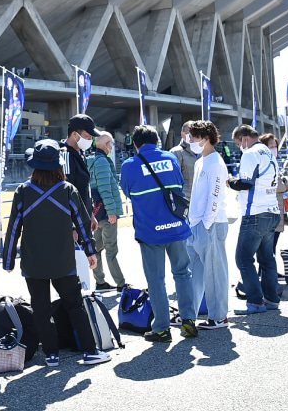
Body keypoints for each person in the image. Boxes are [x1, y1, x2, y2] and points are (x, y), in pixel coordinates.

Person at [2, 140, 109, 366]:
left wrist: (9, 258)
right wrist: (91, 252)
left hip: (33, 261)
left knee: (40, 308)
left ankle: (51, 354)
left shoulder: (22, 191)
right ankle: (90, 351)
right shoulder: (67, 190)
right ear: (59, 165)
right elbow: (82, 225)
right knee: (74, 305)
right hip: (63, 260)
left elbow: (14, 228)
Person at [119, 125, 198, 342]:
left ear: (135, 144)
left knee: (156, 280)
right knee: (183, 273)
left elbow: (127, 191)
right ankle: (189, 319)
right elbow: (180, 184)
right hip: (176, 226)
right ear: (157, 141)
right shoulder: (171, 159)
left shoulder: (129, 165)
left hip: (149, 230)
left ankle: (162, 328)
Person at [228, 125, 281, 315]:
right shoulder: (268, 152)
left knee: (243, 258)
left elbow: (245, 183)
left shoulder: (250, 154)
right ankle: (272, 299)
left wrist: (230, 182)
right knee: (267, 259)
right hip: (272, 210)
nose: (239, 147)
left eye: (237, 143)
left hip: (255, 213)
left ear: (244, 139)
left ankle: (255, 301)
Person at [185, 120, 230, 329]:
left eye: (194, 137)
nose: (190, 140)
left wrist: (206, 224)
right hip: (195, 224)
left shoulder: (216, 163)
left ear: (206, 138)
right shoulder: (200, 161)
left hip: (210, 225)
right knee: (195, 273)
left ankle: (219, 316)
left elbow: (216, 196)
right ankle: (188, 314)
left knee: (214, 273)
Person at [87, 130, 126, 291]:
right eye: (111, 143)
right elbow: (106, 189)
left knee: (97, 248)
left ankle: (100, 282)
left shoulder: (91, 160)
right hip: (106, 213)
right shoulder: (102, 161)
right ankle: (121, 284)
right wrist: (111, 211)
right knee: (111, 250)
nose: (112, 146)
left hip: (96, 213)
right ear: (104, 144)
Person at [61, 114, 97, 220]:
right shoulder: (66, 155)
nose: (91, 139)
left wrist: (90, 213)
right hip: (74, 222)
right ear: (75, 134)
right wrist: (72, 225)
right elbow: (66, 192)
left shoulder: (80, 153)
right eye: (87, 136)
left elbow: (85, 188)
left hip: (84, 217)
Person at [169, 120, 200, 199]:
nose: (192, 135)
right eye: (189, 132)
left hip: (201, 198)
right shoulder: (176, 152)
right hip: (184, 200)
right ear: (182, 134)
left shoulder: (202, 152)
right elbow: (173, 179)